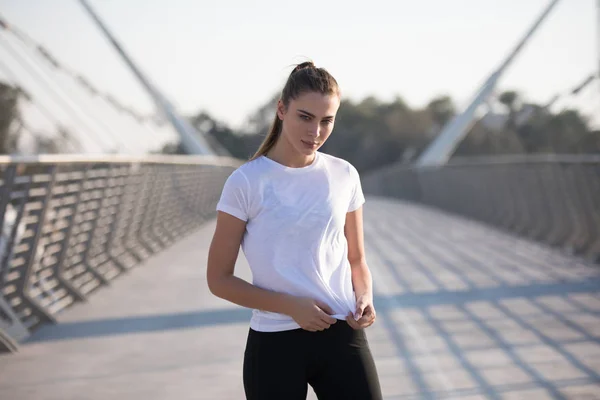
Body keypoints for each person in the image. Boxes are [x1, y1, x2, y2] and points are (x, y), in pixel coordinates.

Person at [206, 61, 382, 400]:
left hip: (342, 335)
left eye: (326, 120)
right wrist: (291, 306)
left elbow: (357, 259)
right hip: (275, 344)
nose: (315, 131)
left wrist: (364, 298)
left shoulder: (344, 175)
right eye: (305, 117)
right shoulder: (246, 183)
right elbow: (219, 279)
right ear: (282, 109)